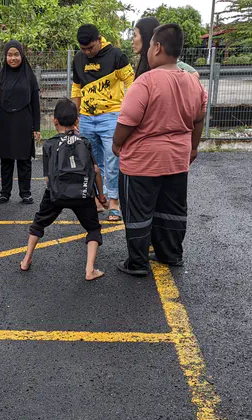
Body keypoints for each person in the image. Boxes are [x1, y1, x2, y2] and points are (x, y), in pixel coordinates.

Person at [112, 24, 207, 276]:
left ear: (157, 47)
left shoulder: (145, 82)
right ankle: (171, 254)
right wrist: (193, 148)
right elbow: (199, 119)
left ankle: (137, 262)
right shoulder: (193, 82)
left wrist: (116, 144)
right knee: (172, 209)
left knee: (138, 211)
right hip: (177, 159)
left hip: (142, 161)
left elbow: (127, 121)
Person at [21, 99, 107, 281]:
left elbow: (48, 177)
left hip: (56, 193)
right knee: (93, 228)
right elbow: (96, 170)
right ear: (77, 121)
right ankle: (90, 270)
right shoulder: (85, 142)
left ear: (54, 121)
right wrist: (100, 195)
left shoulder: (49, 144)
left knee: (39, 223)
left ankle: (26, 259)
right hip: (83, 194)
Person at [72, 24, 135, 223]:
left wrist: (126, 109)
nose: (87, 52)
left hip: (111, 116)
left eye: (90, 48)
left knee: (113, 160)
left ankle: (114, 202)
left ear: (99, 40)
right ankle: (99, 200)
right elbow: (76, 88)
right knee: (92, 162)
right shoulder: (78, 58)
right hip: (86, 118)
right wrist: (75, 116)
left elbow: (131, 82)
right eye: (83, 49)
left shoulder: (116, 55)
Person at [0, 41, 41, 205]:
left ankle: (26, 193)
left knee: (24, 159)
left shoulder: (29, 76)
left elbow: (35, 103)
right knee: (6, 159)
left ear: (22, 55)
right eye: (9, 55)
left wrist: (37, 128)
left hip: (24, 121)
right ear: (5, 56)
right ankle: (5, 193)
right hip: (6, 122)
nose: (13, 58)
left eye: (16, 54)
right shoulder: (1, 75)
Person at [134, 17, 199, 79]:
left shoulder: (166, 62)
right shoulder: (144, 62)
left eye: (135, 35)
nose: (132, 41)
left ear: (145, 37)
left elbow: (195, 74)